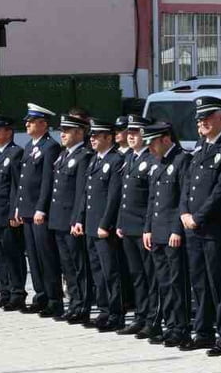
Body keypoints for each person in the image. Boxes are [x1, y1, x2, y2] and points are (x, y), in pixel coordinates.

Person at [180, 96, 221, 356]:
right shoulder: (200, 147)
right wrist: (184, 211)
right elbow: (188, 182)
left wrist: (199, 216)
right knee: (199, 282)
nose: (202, 122)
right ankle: (203, 331)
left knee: (220, 284)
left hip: (215, 227)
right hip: (193, 227)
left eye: (207, 117)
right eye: (199, 118)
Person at [144, 122, 192, 347]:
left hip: (172, 233)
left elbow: (183, 199)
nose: (149, 148)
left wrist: (176, 229)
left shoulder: (182, 160)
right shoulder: (157, 161)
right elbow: (152, 200)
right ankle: (169, 325)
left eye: (152, 143)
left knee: (176, 283)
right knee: (163, 282)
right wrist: (147, 228)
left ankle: (180, 327)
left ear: (165, 139)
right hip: (157, 232)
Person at [16, 103, 64, 317]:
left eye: (32, 121)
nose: (27, 124)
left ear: (43, 124)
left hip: (39, 212)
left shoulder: (50, 147)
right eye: (27, 121)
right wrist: (19, 206)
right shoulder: (29, 146)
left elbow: (47, 181)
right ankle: (40, 295)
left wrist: (41, 209)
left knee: (46, 256)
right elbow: (23, 181)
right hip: (27, 210)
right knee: (33, 257)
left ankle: (54, 300)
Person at [78, 119, 125, 332]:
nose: (92, 139)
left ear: (109, 137)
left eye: (97, 136)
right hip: (90, 224)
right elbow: (86, 194)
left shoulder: (116, 160)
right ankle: (104, 309)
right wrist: (80, 220)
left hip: (104, 227)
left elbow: (114, 196)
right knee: (97, 271)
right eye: (91, 136)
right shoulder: (94, 160)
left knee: (111, 272)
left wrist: (105, 224)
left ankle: (116, 313)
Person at [115, 117, 159, 337]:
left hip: (143, 227)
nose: (131, 135)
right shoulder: (130, 158)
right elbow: (124, 196)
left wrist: (148, 227)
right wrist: (121, 223)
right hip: (129, 226)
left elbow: (152, 198)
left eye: (136, 132)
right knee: (137, 275)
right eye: (129, 132)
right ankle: (140, 316)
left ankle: (154, 319)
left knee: (150, 276)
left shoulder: (151, 159)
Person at [49, 114, 93, 323]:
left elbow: (80, 193)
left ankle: (82, 305)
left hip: (71, 220)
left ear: (79, 133)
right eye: (62, 131)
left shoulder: (83, 156)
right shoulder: (64, 155)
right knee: (67, 266)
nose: (62, 134)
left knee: (78, 265)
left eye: (66, 131)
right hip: (59, 219)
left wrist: (78, 220)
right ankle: (74, 303)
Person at [0, 114, 26, 310]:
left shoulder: (15, 153)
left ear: (8, 131)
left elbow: (17, 186)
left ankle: (17, 292)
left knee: (13, 254)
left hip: (8, 215)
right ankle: (4, 292)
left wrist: (14, 212)